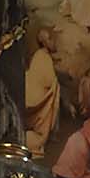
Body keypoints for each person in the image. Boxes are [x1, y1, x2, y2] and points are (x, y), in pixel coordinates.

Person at [24, 27, 61, 158]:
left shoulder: (41, 55)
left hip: (36, 92)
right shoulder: (42, 56)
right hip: (38, 97)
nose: (53, 41)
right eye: (50, 39)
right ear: (44, 43)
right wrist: (56, 82)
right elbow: (48, 81)